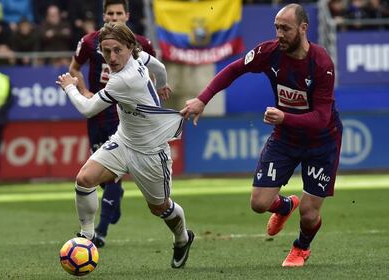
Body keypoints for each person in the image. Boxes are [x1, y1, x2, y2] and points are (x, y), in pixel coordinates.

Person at [182, 3, 342, 267]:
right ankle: (283, 206)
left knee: (310, 212)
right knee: (259, 203)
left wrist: (284, 116)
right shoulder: (269, 52)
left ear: (303, 28)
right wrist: (202, 99)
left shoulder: (321, 63)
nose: (279, 33)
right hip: (286, 137)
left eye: (285, 29)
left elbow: (322, 119)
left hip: (322, 141)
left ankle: (301, 248)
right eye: (277, 27)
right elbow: (234, 69)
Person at [57, 22, 194, 268]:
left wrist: (70, 87)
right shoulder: (140, 58)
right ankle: (87, 237)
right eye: (106, 51)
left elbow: (88, 109)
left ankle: (182, 237)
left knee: (160, 208)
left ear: (130, 47)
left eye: (117, 50)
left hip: (151, 152)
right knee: (85, 179)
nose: (112, 57)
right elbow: (159, 66)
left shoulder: (124, 80)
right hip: (124, 140)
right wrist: (161, 84)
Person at [68, 0, 165, 248]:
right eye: (109, 13)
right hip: (98, 114)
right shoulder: (89, 41)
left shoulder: (141, 44)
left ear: (127, 15)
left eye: (118, 13)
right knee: (101, 180)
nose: (114, 18)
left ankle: (98, 232)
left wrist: (156, 89)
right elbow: (75, 69)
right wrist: (84, 90)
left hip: (121, 117)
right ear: (103, 15)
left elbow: (152, 69)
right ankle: (111, 203)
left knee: (107, 179)